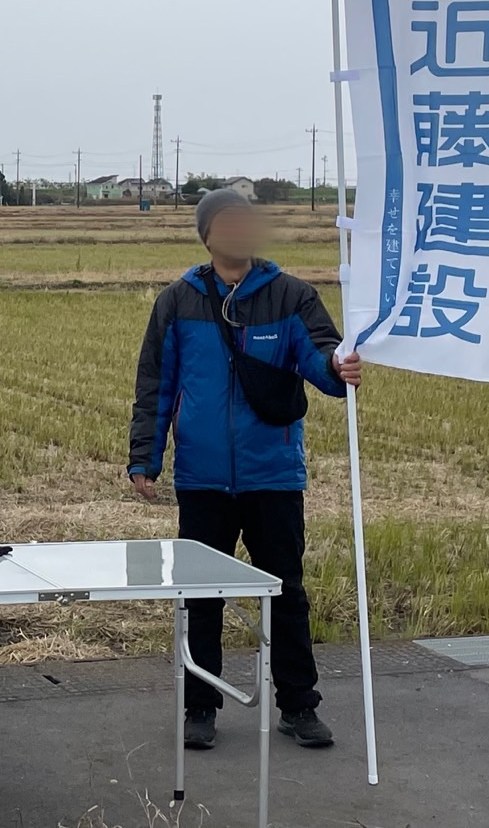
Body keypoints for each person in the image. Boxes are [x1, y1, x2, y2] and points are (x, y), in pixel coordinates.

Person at [128, 188, 361, 751]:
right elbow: (156, 385)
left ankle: (299, 706)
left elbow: (323, 363)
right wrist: (145, 458)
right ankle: (200, 708)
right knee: (201, 597)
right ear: (206, 235)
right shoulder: (178, 300)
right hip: (202, 478)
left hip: (272, 475)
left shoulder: (292, 296)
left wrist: (341, 363)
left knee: (285, 591)